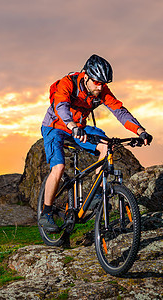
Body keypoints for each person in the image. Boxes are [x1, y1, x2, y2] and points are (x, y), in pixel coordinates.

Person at [39, 54, 152, 232]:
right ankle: (46, 213)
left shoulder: (102, 90)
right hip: (55, 127)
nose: (100, 87)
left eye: (103, 83)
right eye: (97, 83)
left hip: (79, 128)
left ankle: (98, 193)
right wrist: (72, 126)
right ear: (86, 76)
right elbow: (61, 106)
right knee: (59, 168)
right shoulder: (67, 83)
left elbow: (119, 111)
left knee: (106, 146)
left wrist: (140, 131)